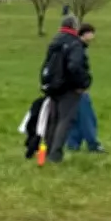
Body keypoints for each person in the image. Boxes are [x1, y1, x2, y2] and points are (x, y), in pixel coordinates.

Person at [39, 13, 91, 163]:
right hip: (68, 88)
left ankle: (46, 151)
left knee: (53, 120)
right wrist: (83, 83)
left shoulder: (54, 41)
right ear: (75, 26)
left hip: (52, 86)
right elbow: (74, 66)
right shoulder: (75, 44)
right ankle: (55, 155)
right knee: (65, 120)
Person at [65, 24, 107, 153]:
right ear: (85, 34)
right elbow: (74, 67)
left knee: (75, 118)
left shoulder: (75, 46)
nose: (93, 36)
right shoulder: (78, 48)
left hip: (70, 90)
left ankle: (73, 144)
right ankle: (93, 144)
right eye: (91, 33)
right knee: (88, 118)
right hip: (78, 90)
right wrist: (82, 83)